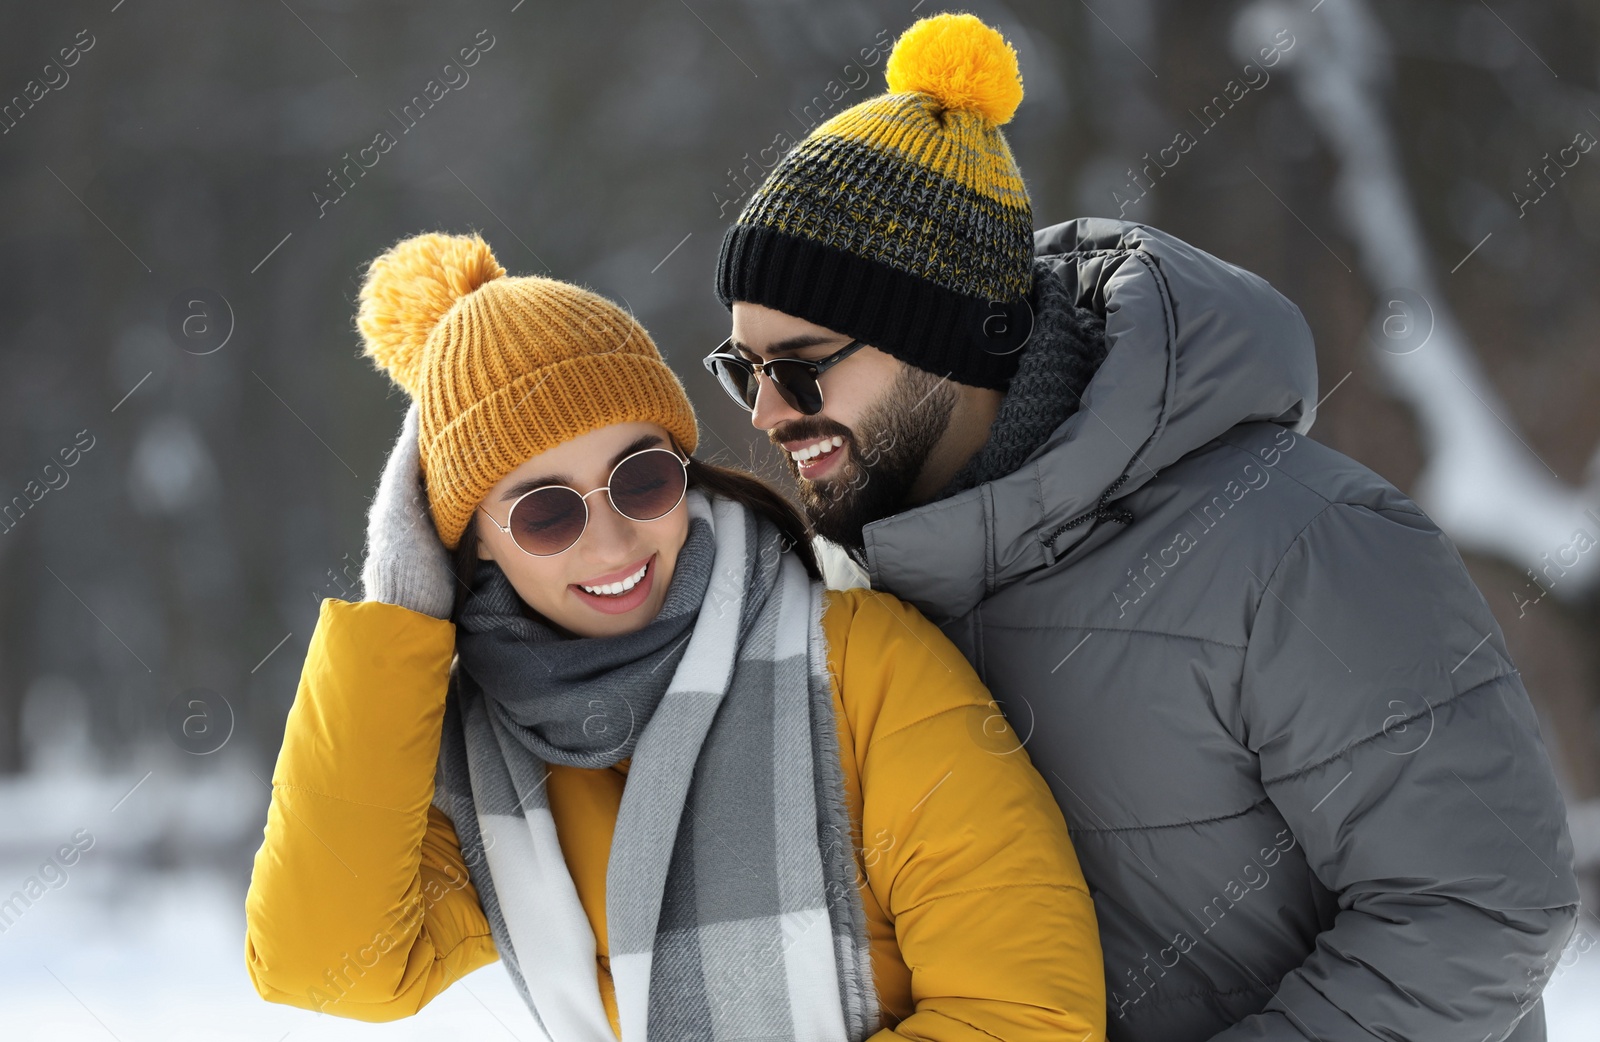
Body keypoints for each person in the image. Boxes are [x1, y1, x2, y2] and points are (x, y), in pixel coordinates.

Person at [707, 11, 1580, 1042]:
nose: (767, 413)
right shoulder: (852, 600)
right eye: (743, 370)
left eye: (801, 363)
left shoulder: (1299, 544)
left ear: (961, 337)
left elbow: (1481, 905)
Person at [242, 231, 1106, 1041]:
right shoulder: (482, 760)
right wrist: (399, 616)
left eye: (642, 478)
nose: (613, 543)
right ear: (466, 544)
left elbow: (1025, 1019)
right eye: (544, 513)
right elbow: (324, 964)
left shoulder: (860, 665)